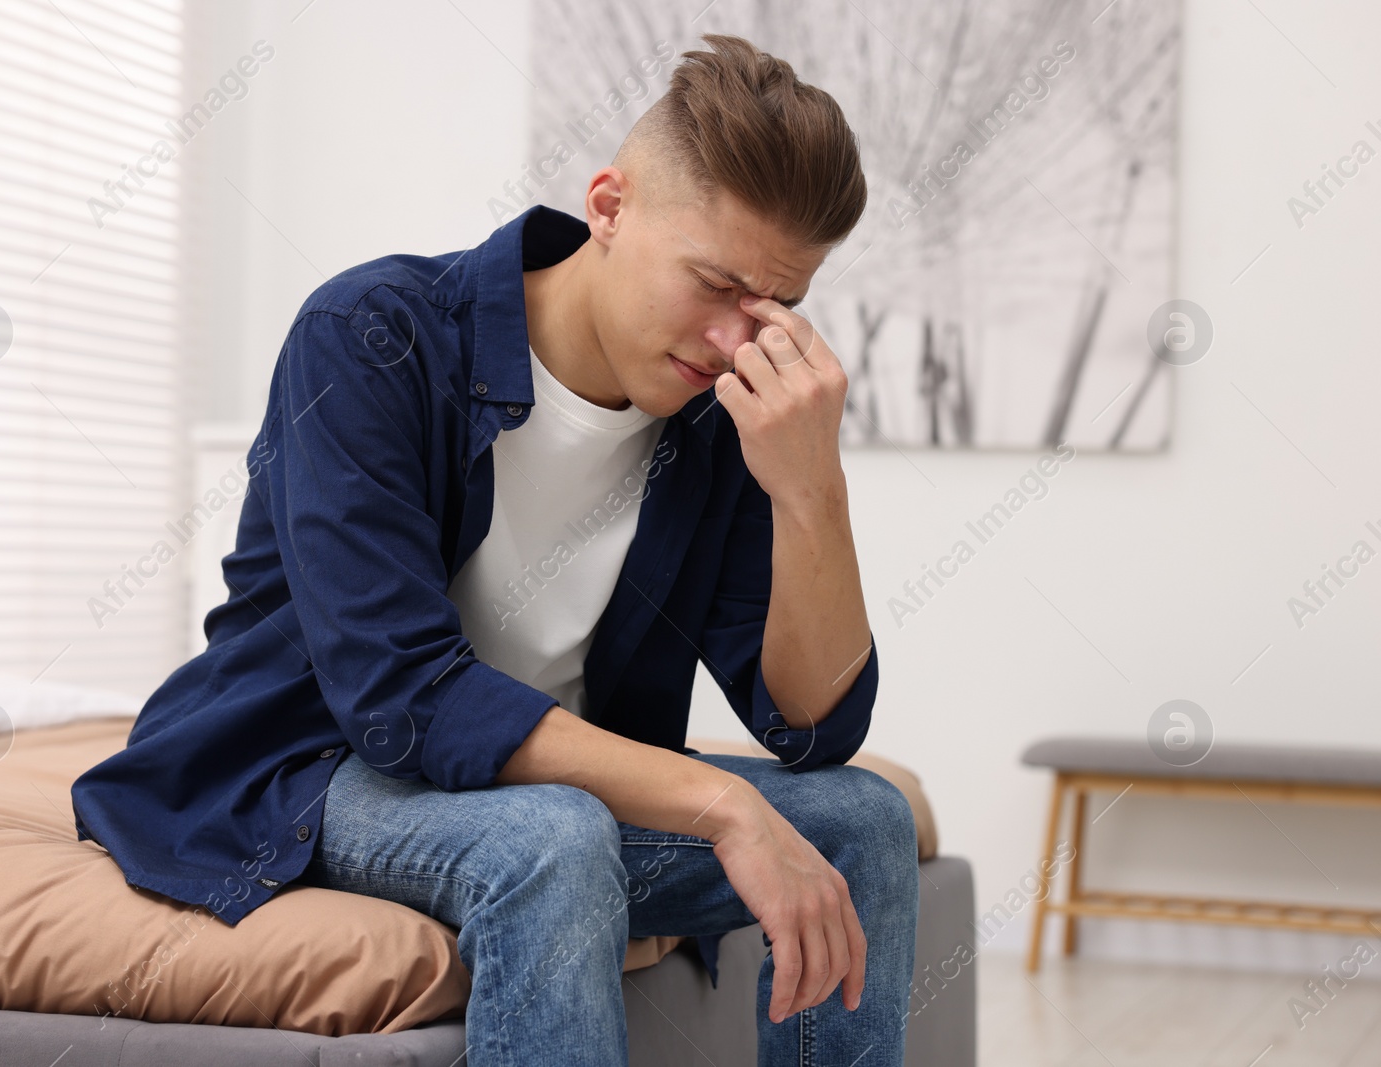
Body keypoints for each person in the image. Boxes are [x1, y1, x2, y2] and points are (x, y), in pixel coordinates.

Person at [72, 31, 918, 1067]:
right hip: (312, 770)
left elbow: (810, 729)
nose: (739, 339)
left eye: (778, 305)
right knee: (549, 837)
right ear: (608, 207)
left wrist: (811, 489)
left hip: (550, 782)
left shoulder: (723, 418)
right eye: (715, 283)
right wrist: (720, 800)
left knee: (863, 818)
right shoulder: (370, 334)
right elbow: (403, 698)